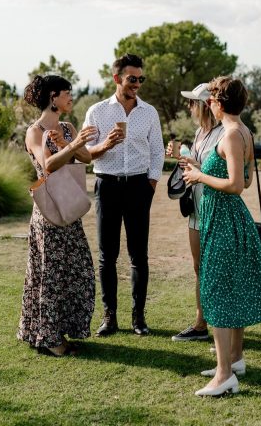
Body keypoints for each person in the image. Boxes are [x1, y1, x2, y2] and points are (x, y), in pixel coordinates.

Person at [183, 76, 261, 396]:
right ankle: (235, 360)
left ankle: (224, 376)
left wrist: (198, 175)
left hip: (224, 222)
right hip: (224, 220)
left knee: (218, 293)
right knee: (230, 290)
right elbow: (247, 180)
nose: (208, 103)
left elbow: (238, 185)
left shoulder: (232, 134)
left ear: (219, 103)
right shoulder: (243, 132)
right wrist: (203, 169)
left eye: (210, 98)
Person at [84, 53, 165, 336]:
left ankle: (138, 317)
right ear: (117, 78)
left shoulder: (149, 113)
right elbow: (84, 153)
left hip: (139, 187)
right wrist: (105, 144)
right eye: (132, 79)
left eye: (141, 79)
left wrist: (151, 184)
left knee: (138, 255)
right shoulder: (97, 112)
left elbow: (157, 151)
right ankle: (109, 317)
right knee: (108, 255)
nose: (137, 84)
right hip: (106, 185)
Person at [17, 75, 96, 357]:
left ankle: (54, 330)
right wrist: (70, 146)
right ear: (53, 97)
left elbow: (86, 158)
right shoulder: (34, 131)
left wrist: (71, 141)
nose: (70, 97)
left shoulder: (67, 126)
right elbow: (47, 165)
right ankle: (50, 339)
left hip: (70, 207)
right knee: (50, 274)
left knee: (77, 271)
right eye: (66, 93)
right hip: (48, 211)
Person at [168, 83, 224, 343]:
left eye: (192, 102)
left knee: (218, 269)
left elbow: (224, 174)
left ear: (203, 105)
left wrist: (193, 163)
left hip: (215, 208)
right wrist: (182, 155)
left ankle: (225, 327)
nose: (189, 107)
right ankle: (201, 324)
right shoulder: (200, 132)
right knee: (199, 267)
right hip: (196, 210)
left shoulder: (225, 133)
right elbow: (196, 166)